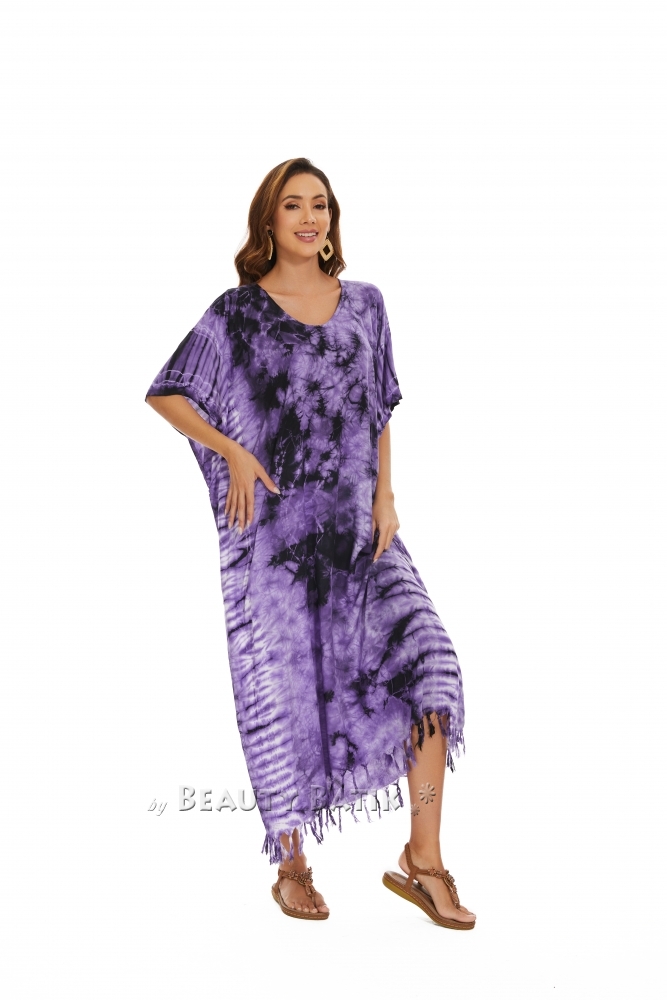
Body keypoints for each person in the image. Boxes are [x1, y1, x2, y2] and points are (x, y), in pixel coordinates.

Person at [145, 158, 475, 928]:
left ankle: (422, 859)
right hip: (278, 546)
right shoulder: (236, 314)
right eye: (292, 205)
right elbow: (168, 393)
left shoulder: (366, 305)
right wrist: (231, 450)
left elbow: (379, 407)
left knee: (431, 665)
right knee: (285, 700)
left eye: (319, 204)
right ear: (268, 220)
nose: (308, 217)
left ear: (332, 219)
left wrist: (385, 496)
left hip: (360, 534)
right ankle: (291, 865)